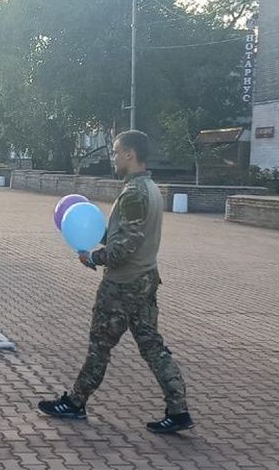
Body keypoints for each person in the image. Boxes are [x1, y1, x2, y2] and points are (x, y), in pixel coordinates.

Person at [38, 130, 193, 434]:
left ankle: (75, 403)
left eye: (116, 151)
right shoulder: (148, 188)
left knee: (100, 346)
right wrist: (102, 236)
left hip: (123, 285)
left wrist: (94, 258)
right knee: (152, 347)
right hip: (145, 279)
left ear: (130, 155)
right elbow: (128, 236)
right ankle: (179, 409)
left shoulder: (134, 193)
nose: (113, 156)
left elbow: (126, 247)